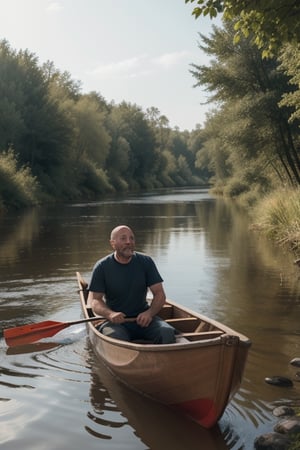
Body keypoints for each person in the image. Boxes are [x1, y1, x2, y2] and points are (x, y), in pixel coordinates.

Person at [88, 225, 176, 344]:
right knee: (116, 338)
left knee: (167, 332)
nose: (129, 242)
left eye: (132, 238)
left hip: (143, 319)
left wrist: (149, 313)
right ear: (112, 243)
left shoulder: (146, 262)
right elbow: (95, 301)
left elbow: (159, 294)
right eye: (123, 238)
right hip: (116, 323)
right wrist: (110, 314)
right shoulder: (102, 267)